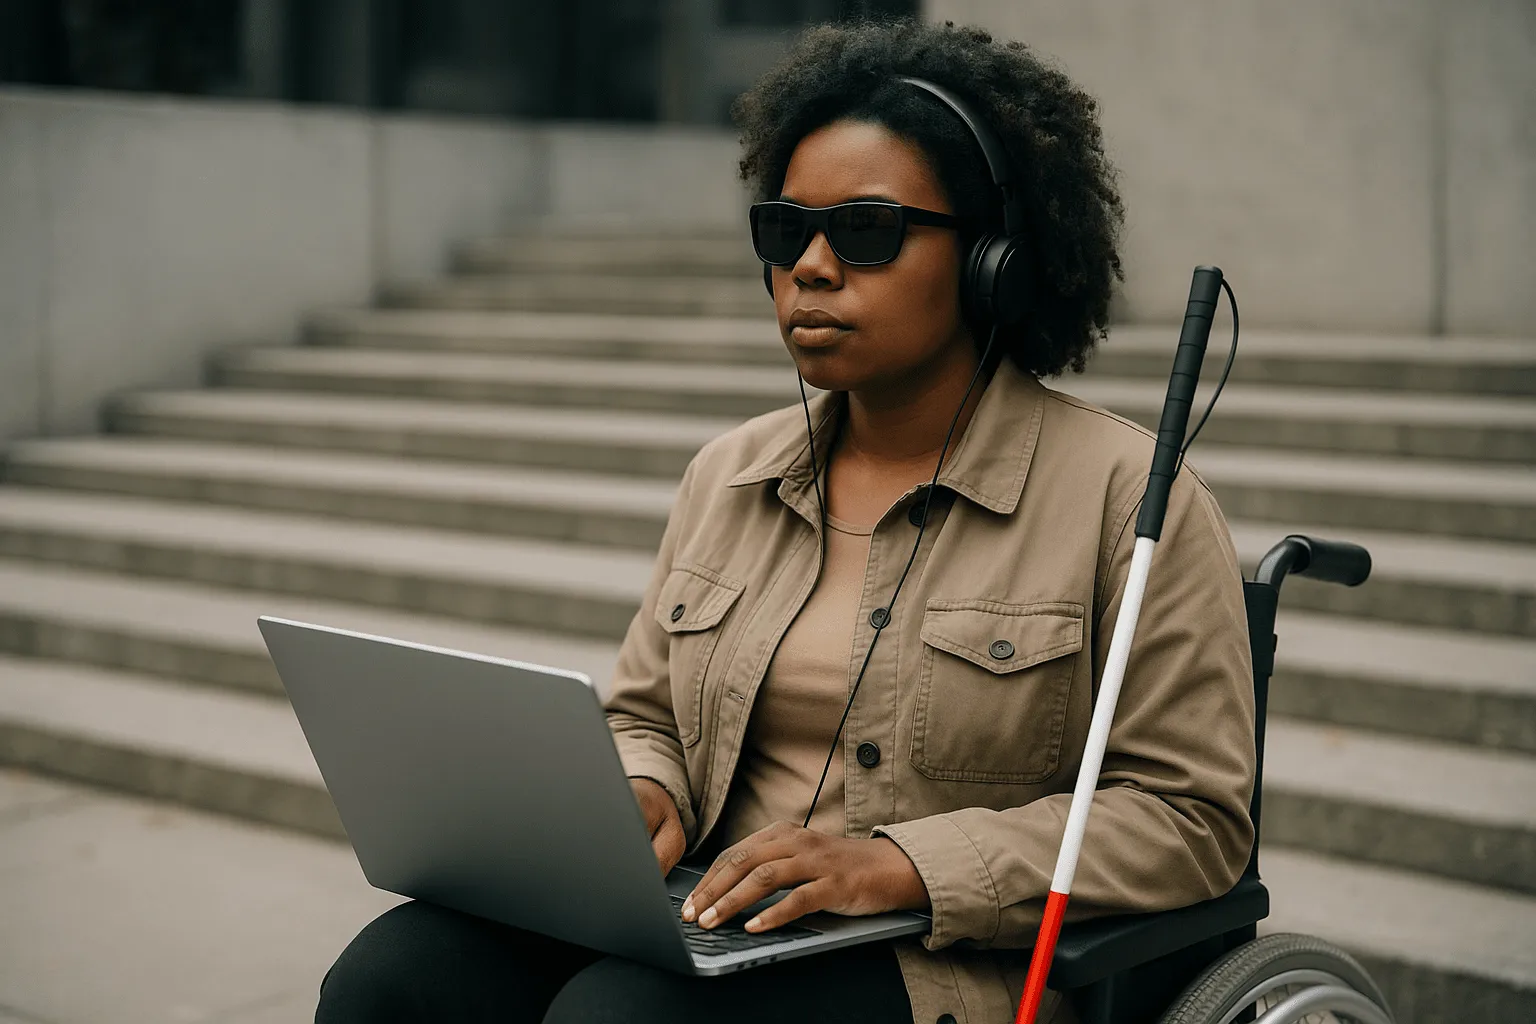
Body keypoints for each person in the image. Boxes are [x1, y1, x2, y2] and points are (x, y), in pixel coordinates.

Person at [314, 17, 1255, 1024]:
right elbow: (644, 717)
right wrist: (646, 797)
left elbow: (1187, 818)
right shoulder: (729, 474)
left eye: (864, 230)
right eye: (784, 230)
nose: (809, 265)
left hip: (939, 961)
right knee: (392, 979)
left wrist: (895, 866)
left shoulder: (1127, 500)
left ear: (992, 262)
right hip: (712, 916)